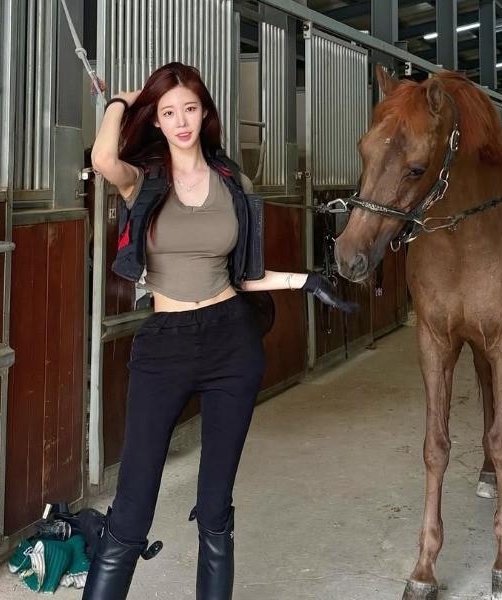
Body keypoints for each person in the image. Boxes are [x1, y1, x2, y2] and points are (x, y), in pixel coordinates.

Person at [84, 62, 356, 600]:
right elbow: (102, 159)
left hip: (231, 340)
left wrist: (305, 280)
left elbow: (245, 274)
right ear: (156, 121)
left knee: (215, 505)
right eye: (168, 112)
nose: (181, 121)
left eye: (189, 108)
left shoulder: (234, 182)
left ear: (204, 112)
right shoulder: (143, 180)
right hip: (165, 344)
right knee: (133, 505)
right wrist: (121, 100)